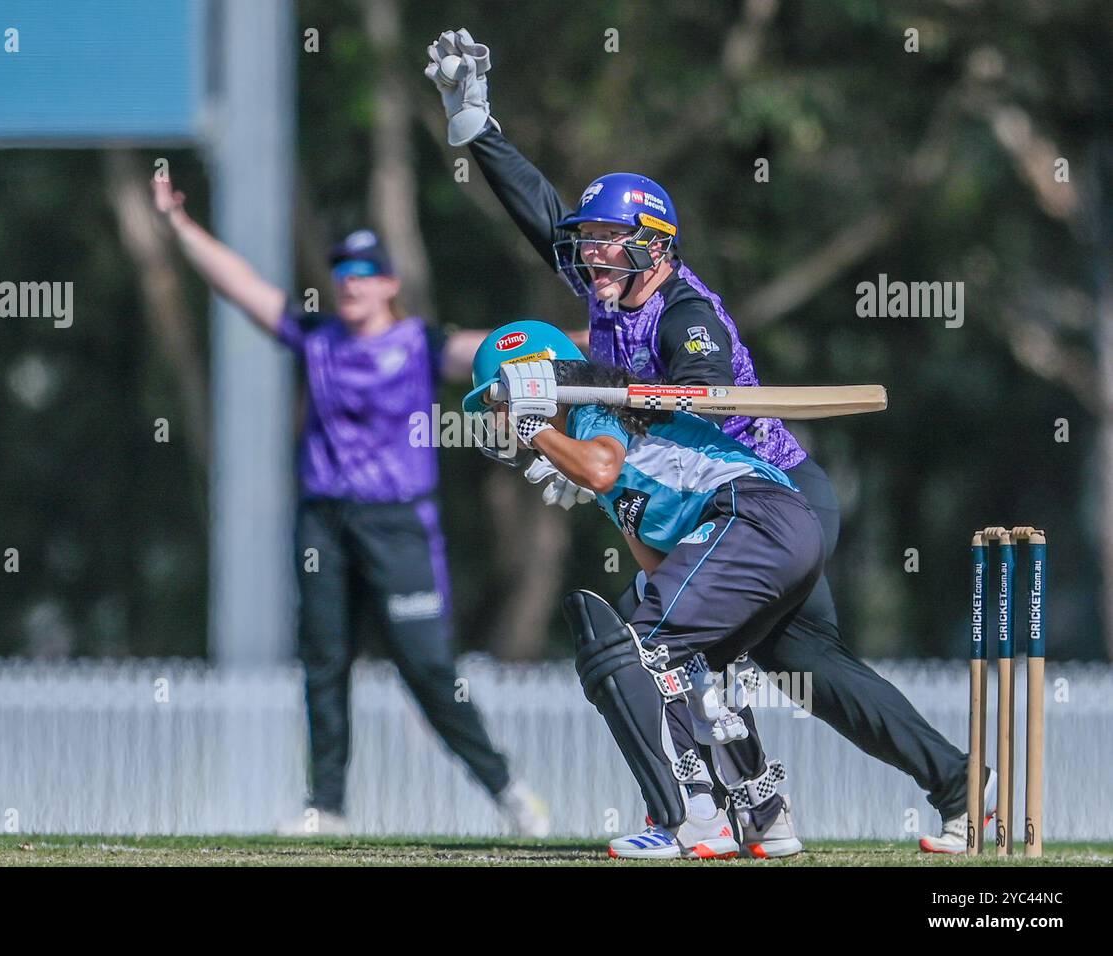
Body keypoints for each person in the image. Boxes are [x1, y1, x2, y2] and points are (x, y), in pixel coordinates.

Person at [426, 28, 989, 852]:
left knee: (665, 644)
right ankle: (942, 786)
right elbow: (543, 217)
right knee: (812, 673)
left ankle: (713, 816)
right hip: (707, 509)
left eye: (609, 245)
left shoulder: (685, 313)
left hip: (773, 496)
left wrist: (586, 416)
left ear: (655, 246)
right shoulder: (608, 283)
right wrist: (478, 129)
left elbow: (701, 382)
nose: (592, 259)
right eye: (590, 248)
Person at [152, 176, 550, 837]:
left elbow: (499, 351)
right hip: (325, 523)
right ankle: (328, 807)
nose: (351, 282)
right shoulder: (317, 339)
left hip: (399, 523)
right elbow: (241, 287)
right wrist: (180, 226)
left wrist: (607, 338)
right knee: (325, 660)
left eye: (366, 272)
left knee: (427, 668)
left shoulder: (420, 345)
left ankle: (510, 792)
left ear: (389, 284)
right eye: (342, 271)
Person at [466, 320, 823, 859]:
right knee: (675, 640)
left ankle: (689, 819)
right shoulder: (594, 436)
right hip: (772, 528)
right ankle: (763, 813)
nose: (502, 420)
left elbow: (604, 468)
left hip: (753, 516)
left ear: (536, 383)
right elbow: (658, 564)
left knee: (632, 649)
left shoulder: (592, 410)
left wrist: (541, 430)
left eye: (502, 402)